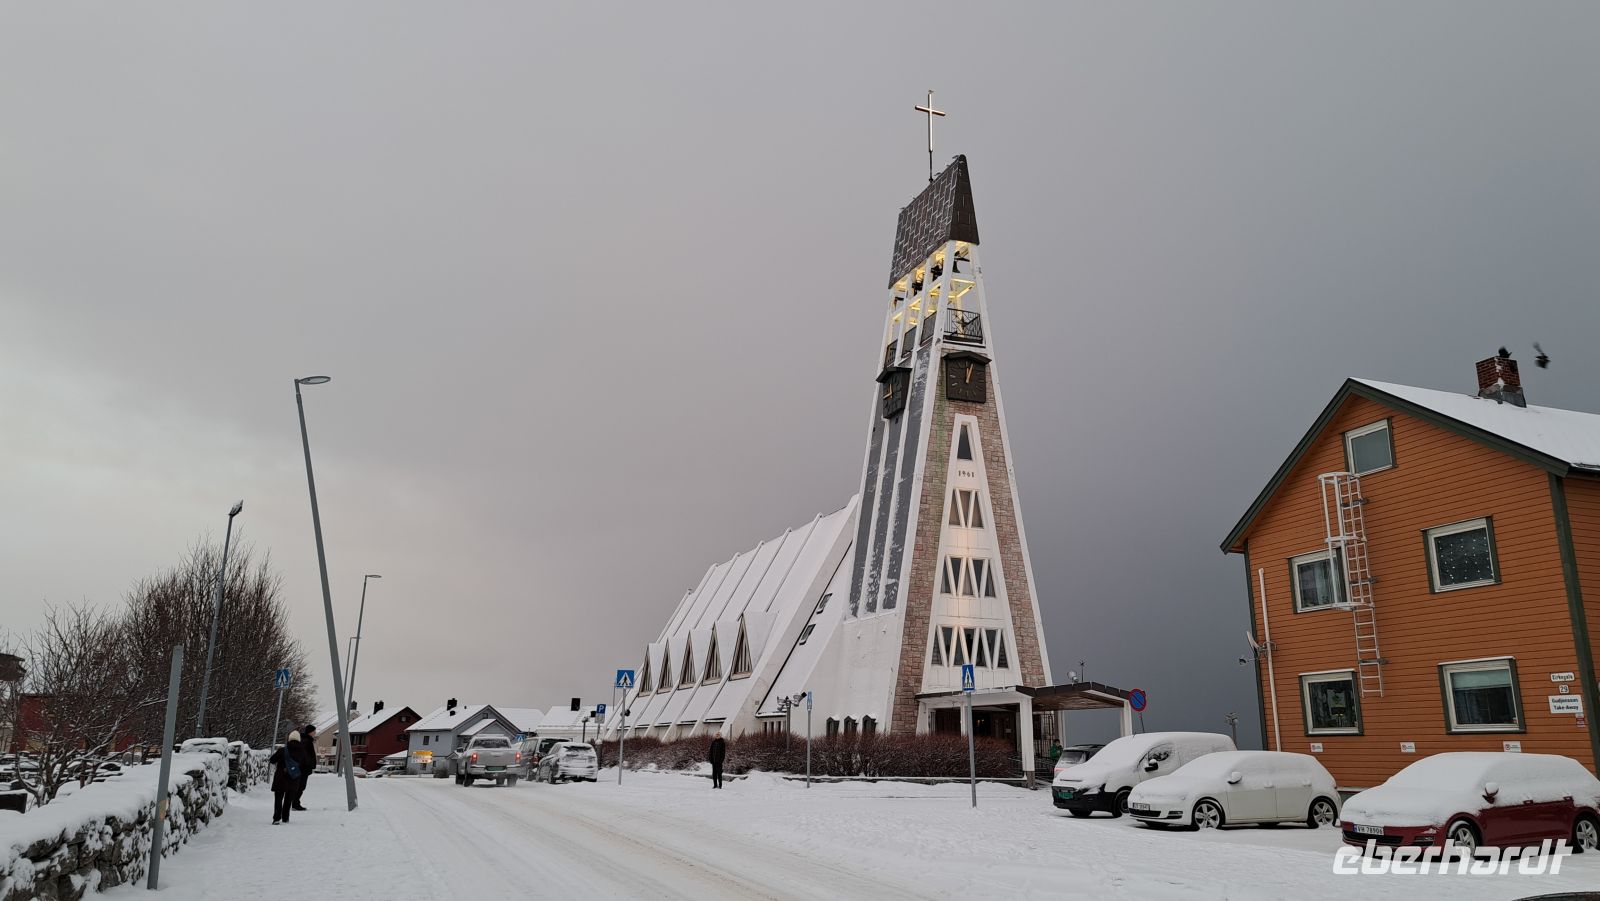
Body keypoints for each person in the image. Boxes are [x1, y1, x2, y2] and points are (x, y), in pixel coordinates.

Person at [269, 731, 303, 824]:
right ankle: (285, 817)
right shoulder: (302, 752)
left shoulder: (283, 750)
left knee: (278, 799)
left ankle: (276, 818)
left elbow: (272, 760)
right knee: (288, 799)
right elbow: (306, 765)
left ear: (289, 739)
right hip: (294, 778)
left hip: (281, 778)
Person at [291, 724, 318, 811]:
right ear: (310, 732)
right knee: (301, 786)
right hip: (303, 768)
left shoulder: (304, 740)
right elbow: (306, 756)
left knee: (299, 786)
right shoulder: (307, 741)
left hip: (302, 767)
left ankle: (295, 803)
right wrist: (308, 765)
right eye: (314, 731)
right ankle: (295, 804)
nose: (315, 733)